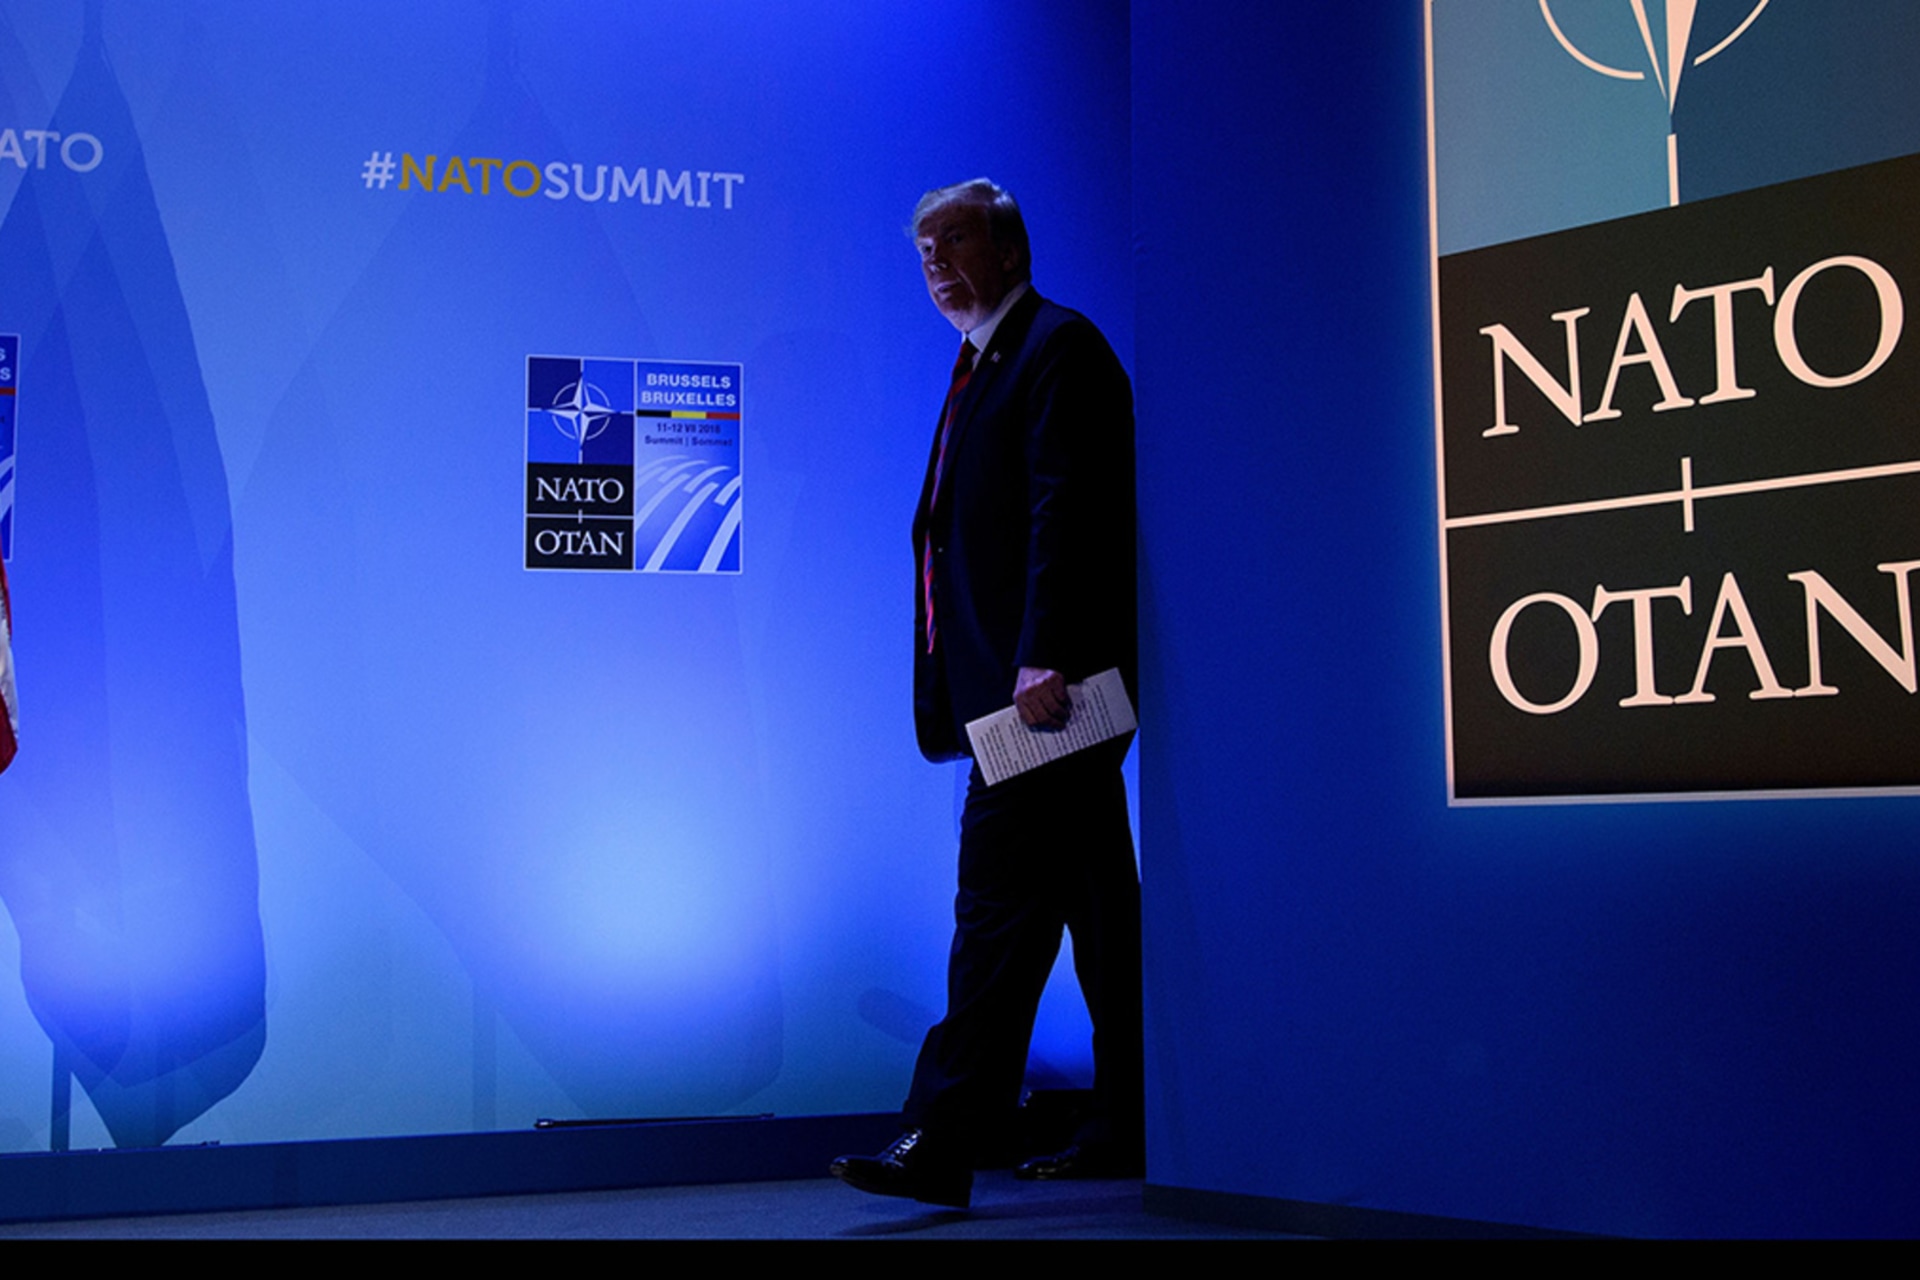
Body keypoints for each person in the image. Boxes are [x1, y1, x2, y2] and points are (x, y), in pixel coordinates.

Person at [830, 179, 1142, 1209]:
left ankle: (944, 1134)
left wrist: (1043, 651)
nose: (934, 262)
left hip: (1049, 694)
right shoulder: (980, 362)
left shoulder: (1057, 347)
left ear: (1009, 249)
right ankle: (1131, 1118)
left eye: (954, 239)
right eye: (923, 248)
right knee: (1100, 909)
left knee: (995, 905)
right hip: (1024, 692)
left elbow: (1071, 507)